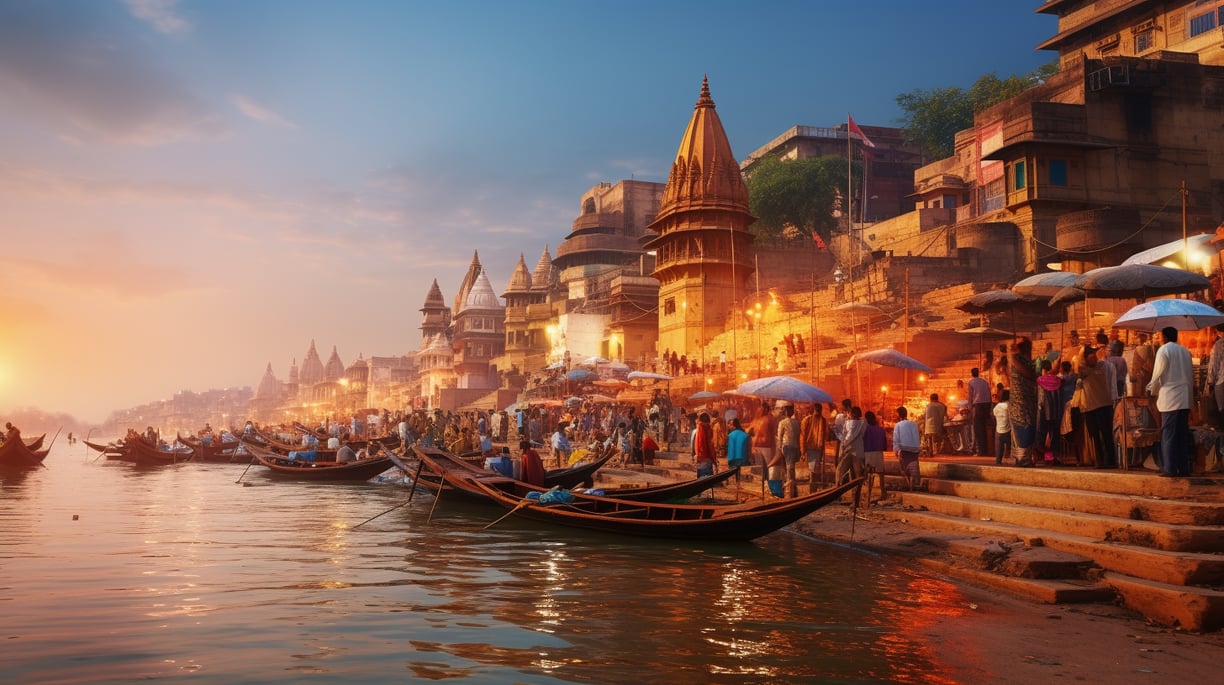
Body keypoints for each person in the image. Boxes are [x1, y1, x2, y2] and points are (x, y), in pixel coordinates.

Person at [1148, 326, 1194, 477]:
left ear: (1165, 337)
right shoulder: (1185, 352)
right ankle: (1183, 467)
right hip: (1185, 398)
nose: (1159, 338)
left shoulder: (1163, 350)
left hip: (1170, 398)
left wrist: (1151, 390)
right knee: (1181, 434)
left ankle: (1169, 468)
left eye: (1160, 336)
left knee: (1168, 434)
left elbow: (1158, 374)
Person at [1078, 344, 1117, 468]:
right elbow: (1079, 368)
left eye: (1095, 355)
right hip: (1090, 407)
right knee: (1094, 436)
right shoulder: (1083, 370)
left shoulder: (1102, 366)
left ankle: (1111, 461)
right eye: (1091, 356)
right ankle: (1099, 460)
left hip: (1104, 405)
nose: (1094, 358)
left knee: (1106, 435)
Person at [1009, 338, 1039, 466]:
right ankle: (1022, 458)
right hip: (1019, 401)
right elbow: (1028, 373)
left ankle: (1027, 457)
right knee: (1023, 425)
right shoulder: (1016, 359)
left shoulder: (1031, 361)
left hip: (1030, 399)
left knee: (1031, 426)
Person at [1035, 360, 1063, 464]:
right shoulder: (1058, 381)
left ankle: (1043, 457)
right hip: (1056, 412)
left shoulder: (1039, 381)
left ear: (1043, 369)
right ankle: (1055, 456)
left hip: (1042, 412)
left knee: (1041, 433)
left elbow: (1038, 397)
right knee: (1054, 434)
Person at [800, 403, 828, 490]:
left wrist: (803, 451)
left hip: (812, 448)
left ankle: (813, 489)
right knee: (814, 469)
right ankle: (813, 489)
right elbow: (826, 436)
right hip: (816, 448)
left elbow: (802, 436)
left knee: (813, 470)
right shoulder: (822, 420)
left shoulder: (807, 420)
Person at [893, 406, 921, 490]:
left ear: (899, 415)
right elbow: (916, 437)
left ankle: (908, 486)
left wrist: (896, 450)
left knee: (904, 469)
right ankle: (915, 486)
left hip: (904, 450)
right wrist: (917, 448)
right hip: (913, 450)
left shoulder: (898, 425)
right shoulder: (914, 424)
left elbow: (896, 438)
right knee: (914, 469)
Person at [775, 405, 801, 498]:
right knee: (791, 467)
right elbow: (798, 436)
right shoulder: (797, 423)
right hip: (794, 446)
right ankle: (792, 487)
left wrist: (779, 448)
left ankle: (789, 489)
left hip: (786, 446)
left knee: (788, 467)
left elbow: (779, 437)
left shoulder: (782, 422)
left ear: (785, 412)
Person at [862, 411, 887, 501]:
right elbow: (884, 444)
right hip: (878, 453)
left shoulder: (865, 429)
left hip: (868, 453)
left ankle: (866, 494)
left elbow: (863, 441)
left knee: (867, 473)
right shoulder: (881, 430)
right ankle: (883, 493)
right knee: (881, 474)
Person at [837, 406, 865, 486]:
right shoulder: (863, 423)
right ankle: (857, 491)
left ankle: (839, 489)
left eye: (849, 413)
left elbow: (844, 438)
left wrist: (842, 449)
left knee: (842, 471)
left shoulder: (847, 423)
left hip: (848, 450)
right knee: (857, 473)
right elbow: (863, 435)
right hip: (858, 450)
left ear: (852, 414)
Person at [968, 367, 993, 456]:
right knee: (986, 428)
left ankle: (981, 451)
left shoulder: (971, 382)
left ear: (972, 374)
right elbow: (989, 394)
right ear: (978, 373)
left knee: (978, 429)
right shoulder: (985, 382)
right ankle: (987, 450)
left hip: (978, 406)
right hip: (987, 404)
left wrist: (970, 409)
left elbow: (970, 397)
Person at [751, 401, 777, 475]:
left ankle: (764, 482)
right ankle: (765, 482)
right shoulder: (766, 419)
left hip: (764, 446)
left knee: (762, 467)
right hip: (764, 446)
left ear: (765, 409)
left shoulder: (764, 419)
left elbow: (757, 434)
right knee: (765, 467)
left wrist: (753, 446)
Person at [1130, 332, 1155, 397]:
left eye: (1137, 338)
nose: (1136, 340)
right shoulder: (1150, 348)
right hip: (1148, 373)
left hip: (1139, 374)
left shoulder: (1138, 349)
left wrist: (1133, 374)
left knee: (1139, 394)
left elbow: (1135, 364)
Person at [1206, 325, 1224, 415]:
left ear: (1220, 332)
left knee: (1222, 408)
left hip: (1221, 380)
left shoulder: (1218, 345)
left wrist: (1211, 382)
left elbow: (1214, 365)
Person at [993, 389, 1012, 465]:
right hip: (1009, 430)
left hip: (999, 430)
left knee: (999, 448)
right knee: (1011, 446)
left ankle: (998, 461)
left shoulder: (997, 406)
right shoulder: (1010, 406)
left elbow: (994, 415)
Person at [693, 412, 715, 478]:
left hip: (703, 456)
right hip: (707, 456)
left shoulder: (701, 428)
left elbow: (699, 443)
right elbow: (709, 443)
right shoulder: (706, 428)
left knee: (703, 479)